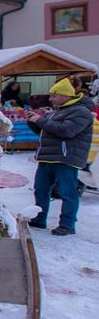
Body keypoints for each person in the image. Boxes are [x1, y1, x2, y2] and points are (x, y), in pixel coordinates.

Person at [25, 78, 95, 236]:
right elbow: (48, 131)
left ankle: (67, 224)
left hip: (65, 159)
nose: (50, 99)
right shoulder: (60, 111)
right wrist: (33, 122)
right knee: (40, 190)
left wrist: (40, 120)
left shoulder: (81, 112)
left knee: (67, 192)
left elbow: (66, 131)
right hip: (48, 158)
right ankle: (39, 218)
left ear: (65, 95)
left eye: (54, 96)